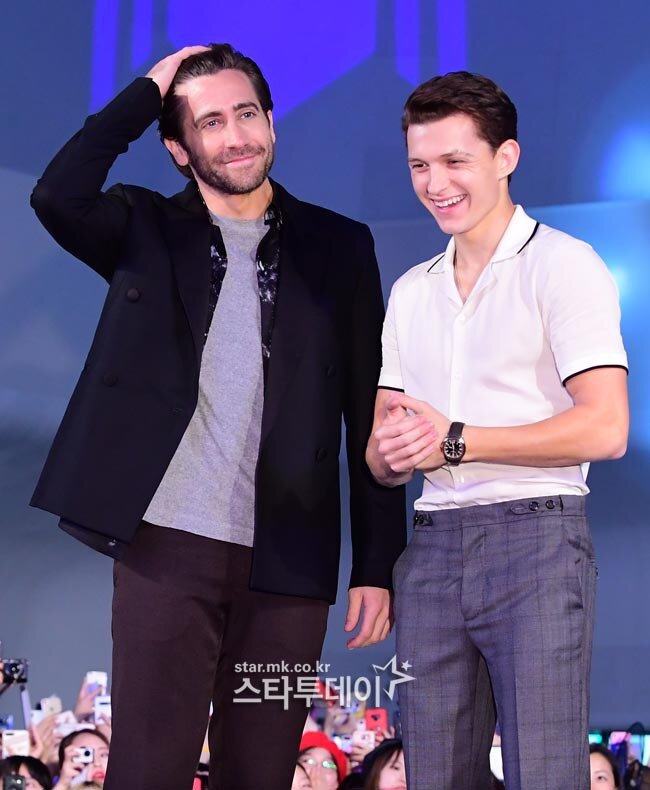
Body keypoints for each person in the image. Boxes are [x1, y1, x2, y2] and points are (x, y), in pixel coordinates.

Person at [30, 43, 405, 790]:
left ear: (271, 122)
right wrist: (148, 90)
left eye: (247, 114)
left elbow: (372, 408)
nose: (236, 136)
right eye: (210, 122)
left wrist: (375, 564)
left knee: (262, 773)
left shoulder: (339, 246)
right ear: (178, 148)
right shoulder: (143, 227)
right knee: (149, 770)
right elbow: (57, 195)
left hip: (291, 563)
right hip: (165, 548)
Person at [366, 70, 629, 789]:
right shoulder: (411, 290)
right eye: (420, 165)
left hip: (538, 540)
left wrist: (455, 440)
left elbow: (607, 426)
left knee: (543, 771)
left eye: (455, 161)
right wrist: (391, 453)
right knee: (434, 775)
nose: (435, 184)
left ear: (505, 157)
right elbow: (384, 453)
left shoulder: (564, 265)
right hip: (432, 546)